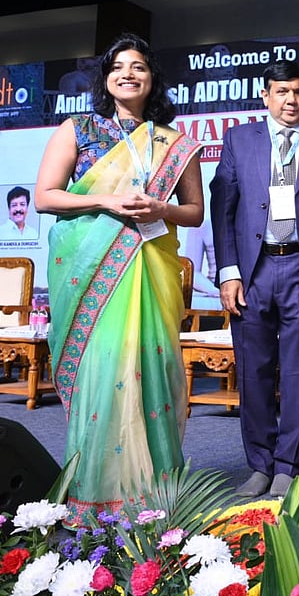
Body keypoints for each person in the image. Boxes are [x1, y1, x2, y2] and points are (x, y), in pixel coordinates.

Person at [34, 32, 205, 526]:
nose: (128, 74)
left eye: (139, 68)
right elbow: (46, 196)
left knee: (150, 370)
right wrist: (105, 201)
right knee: (104, 373)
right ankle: (95, 495)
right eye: (118, 68)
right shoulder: (78, 129)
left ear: (153, 81)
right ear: (106, 80)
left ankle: (158, 494)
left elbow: (192, 213)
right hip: (92, 277)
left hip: (148, 271)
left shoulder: (174, 144)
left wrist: (159, 208)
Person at [210, 59, 299, 498]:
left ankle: (289, 464)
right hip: (252, 271)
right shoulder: (239, 139)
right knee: (253, 371)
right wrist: (228, 272)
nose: (291, 100)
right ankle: (259, 463)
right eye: (282, 92)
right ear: (266, 96)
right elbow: (223, 208)